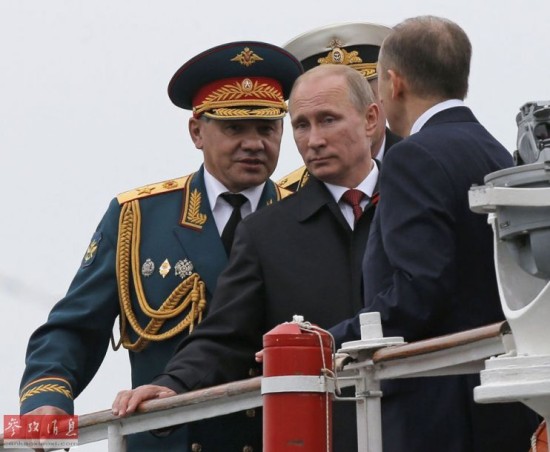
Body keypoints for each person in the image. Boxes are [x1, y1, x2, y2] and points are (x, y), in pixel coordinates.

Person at [18, 41, 303, 451]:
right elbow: (75, 328)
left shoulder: (304, 215)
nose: (254, 143)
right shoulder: (138, 218)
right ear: (196, 132)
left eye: (266, 128)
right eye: (234, 128)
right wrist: (47, 400)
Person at [113, 63, 380, 452]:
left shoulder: (416, 202)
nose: (314, 140)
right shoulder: (267, 231)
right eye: (301, 125)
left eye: (328, 120)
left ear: (371, 119)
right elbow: (226, 333)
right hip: (319, 435)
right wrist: (173, 384)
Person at [330, 15, 539, 451]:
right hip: (499, 405)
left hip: (436, 412)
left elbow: (419, 289)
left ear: (394, 83)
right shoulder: (495, 151)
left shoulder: (411, 157)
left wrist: (330, 339)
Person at [278, 22, 401, 192]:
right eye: (303, 125)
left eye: (363, 97)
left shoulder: (425, 170)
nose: (315, 140)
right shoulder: (289, 193)